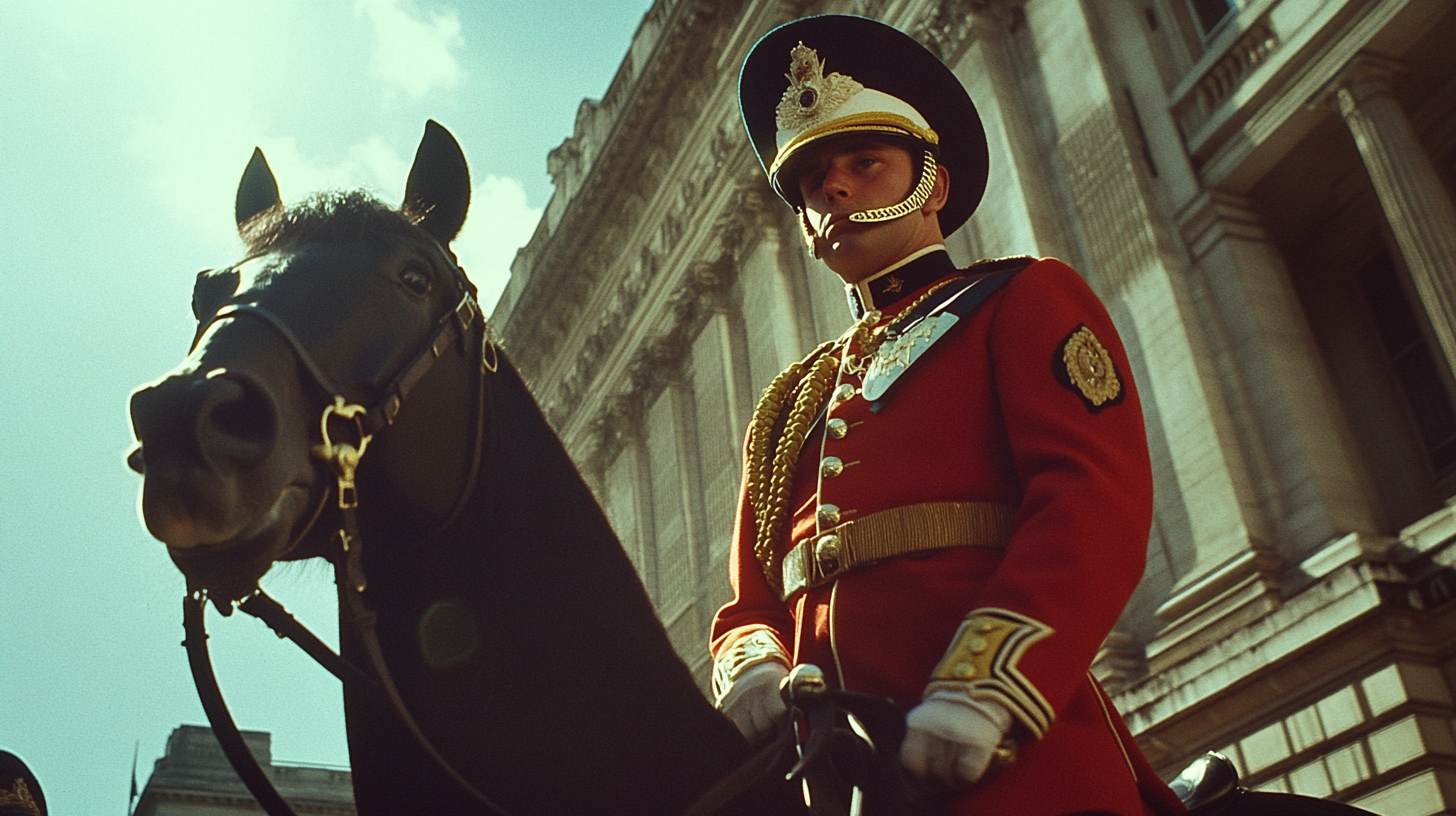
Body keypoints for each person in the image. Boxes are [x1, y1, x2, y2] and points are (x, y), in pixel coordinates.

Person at [709, 15, 1187, 816]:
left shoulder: (1021, 300)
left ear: (931, 183)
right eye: (813, 177)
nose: (834, 186)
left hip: (1008, 762)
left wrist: (986, 690)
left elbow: (1091, 504)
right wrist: (753, 667)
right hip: (834, 784)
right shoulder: (790, 405)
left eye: (865, 161)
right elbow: (749, 601)